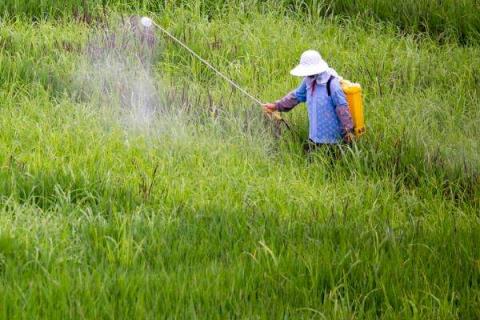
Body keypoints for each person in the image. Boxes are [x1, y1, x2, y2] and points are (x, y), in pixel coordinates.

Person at [263, 50, 354, 152]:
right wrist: (276, 106)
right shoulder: (308, 81)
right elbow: (296, 96)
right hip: (314, 137)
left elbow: (342, 107)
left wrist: (347, 131)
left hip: (333, 140)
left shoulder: (332, 84)